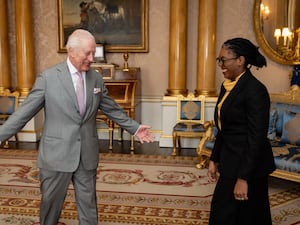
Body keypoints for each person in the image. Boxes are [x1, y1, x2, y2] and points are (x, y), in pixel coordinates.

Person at [0, 29, 154, 225]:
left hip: (86, 154)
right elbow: (23, 114)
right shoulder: (48, 78)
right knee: (50, 206)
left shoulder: (96, 78)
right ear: (71, 51)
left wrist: (134, 127)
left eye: (93, 52)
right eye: (87, 53)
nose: (92, 58)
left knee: (89, 207)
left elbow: (111, 108)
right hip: (56, 156)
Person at [207, 37, 275, 225]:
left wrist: (243, 178)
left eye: (224, 60)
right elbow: (224, 127)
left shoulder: (255, 90)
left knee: (248, 215)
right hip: (231, 158)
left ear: (240, 60)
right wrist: (214, 158)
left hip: (250, 165)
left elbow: (256, 137)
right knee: (226, 213)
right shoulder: (227, 85)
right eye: (219, 60)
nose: (221, 64)